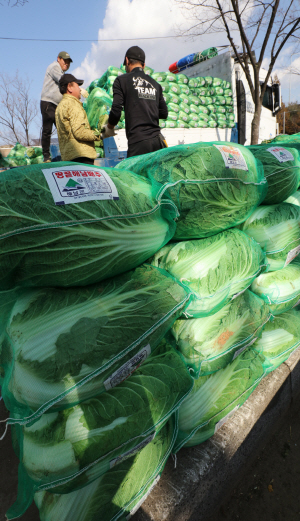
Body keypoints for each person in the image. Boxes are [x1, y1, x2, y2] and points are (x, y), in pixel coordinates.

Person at [103, 46, 168, 158]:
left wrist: (109, 127)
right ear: (144, 64)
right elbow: (164, 113)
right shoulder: (155, 84)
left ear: (127, 61)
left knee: (135, 175)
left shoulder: (121, 81)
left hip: (138, 143)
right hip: (158, 142)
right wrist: (147, 105)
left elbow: (116, 111)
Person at [55, 73, 100, 164]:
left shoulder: (60, 106)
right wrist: (99, 135)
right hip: (82, 156)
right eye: (77, 85)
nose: (80, 89)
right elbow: (79, 132)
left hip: (69, 157)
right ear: (69, 87)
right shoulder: (73, 104)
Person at [40, 51, 72, 162]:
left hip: (58, 105)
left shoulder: (62, 73)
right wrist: (76, 86)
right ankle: (46, 157)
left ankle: (67, 154)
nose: (67, 64)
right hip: (48, 102)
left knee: (62, 130)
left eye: (68, 62)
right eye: (65, 61)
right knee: (47, 130)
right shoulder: (54, 67)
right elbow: (62, 80)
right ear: (58, 59)